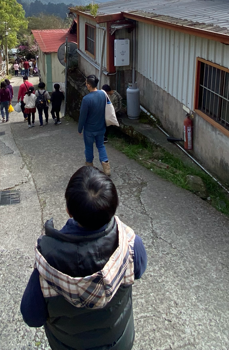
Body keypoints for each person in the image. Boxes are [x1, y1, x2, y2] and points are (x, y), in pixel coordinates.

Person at [20, 166, 147, 350]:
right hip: (119, 343)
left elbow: (32, 317)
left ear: (68, 210)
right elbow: (139, 271)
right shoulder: (130, 244)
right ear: (113, 207)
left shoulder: (46, 265)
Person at [78, 74, 111, 175]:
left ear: (88, 85)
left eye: (86, 83)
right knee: (101, 146)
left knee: (89, 147)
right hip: (101, 126)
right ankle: (106, 168)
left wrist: (80, 128)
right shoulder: (103, 94)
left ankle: (89, 167)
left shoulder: (86, 99)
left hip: (89, 129)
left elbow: (82, 116)